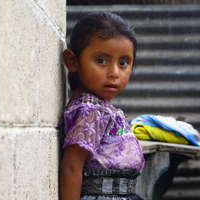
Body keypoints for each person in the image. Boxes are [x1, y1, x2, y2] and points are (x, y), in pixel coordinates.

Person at [60, 12, 145, 200]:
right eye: (101, 61)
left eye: (123, 62)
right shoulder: (90, 111)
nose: (114, 72)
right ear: (73, 62)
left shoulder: (102, 108)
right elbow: (72, 167)